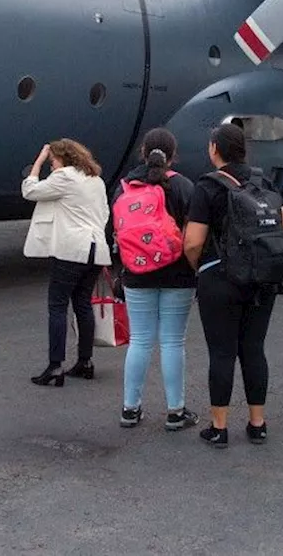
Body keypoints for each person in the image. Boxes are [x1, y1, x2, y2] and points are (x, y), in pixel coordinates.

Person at [183, 124, 283, 448]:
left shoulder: (208, 186)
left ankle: (219, 428)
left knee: (222, 352)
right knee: (254, 349)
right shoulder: (262, 180)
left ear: (214, 148)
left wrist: (199, 266)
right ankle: (257, 423)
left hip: (221, 277)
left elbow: (192, 241)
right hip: (262, 277)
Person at [110, 128, 199, 430]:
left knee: (140, 340)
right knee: (173, 341)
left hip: (136, 274)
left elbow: (117, 233)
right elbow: (193, 237)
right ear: (173, 156)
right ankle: (176, 411)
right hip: (178, 275)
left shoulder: (124, 188)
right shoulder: (185, 187)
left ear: (143, 153)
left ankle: (130, 408)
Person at [22, 138, 110, 387]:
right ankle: (85, 361)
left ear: (63, 158)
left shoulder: (64, 177)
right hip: (96, 250)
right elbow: (104, 214)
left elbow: (30, 191)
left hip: (72, 249)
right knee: (82, 303)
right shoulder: (96, 180)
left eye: (53, 161)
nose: (52, 166)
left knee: (57, 305)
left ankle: (55, 366)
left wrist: (37, 163)